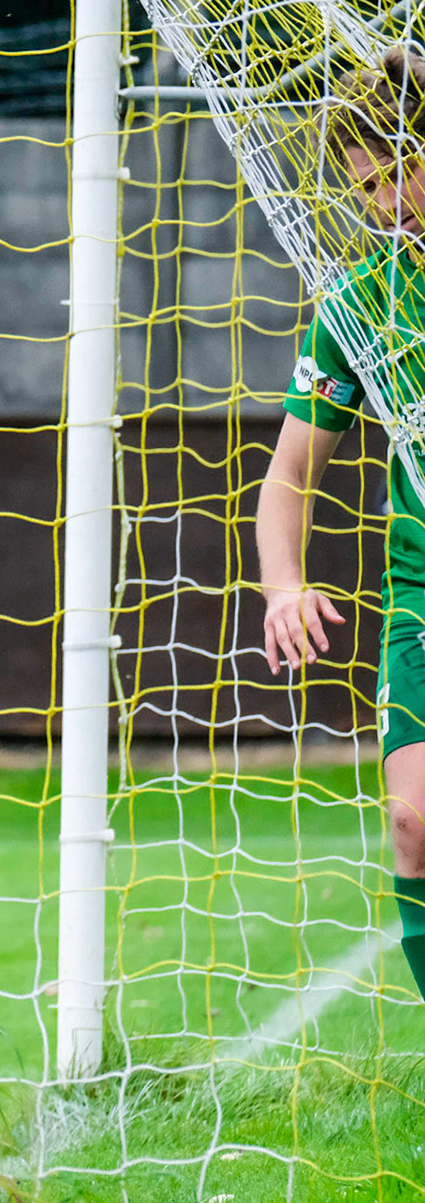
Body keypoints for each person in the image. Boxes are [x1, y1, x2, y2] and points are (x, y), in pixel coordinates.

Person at [259, 47, 425, 1002]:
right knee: (413, 823)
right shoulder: (359, 304)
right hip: (421, 600)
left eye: (397, 172)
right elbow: (287, 478)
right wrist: (285, 585)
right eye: (365, 187)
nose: (383, 204)